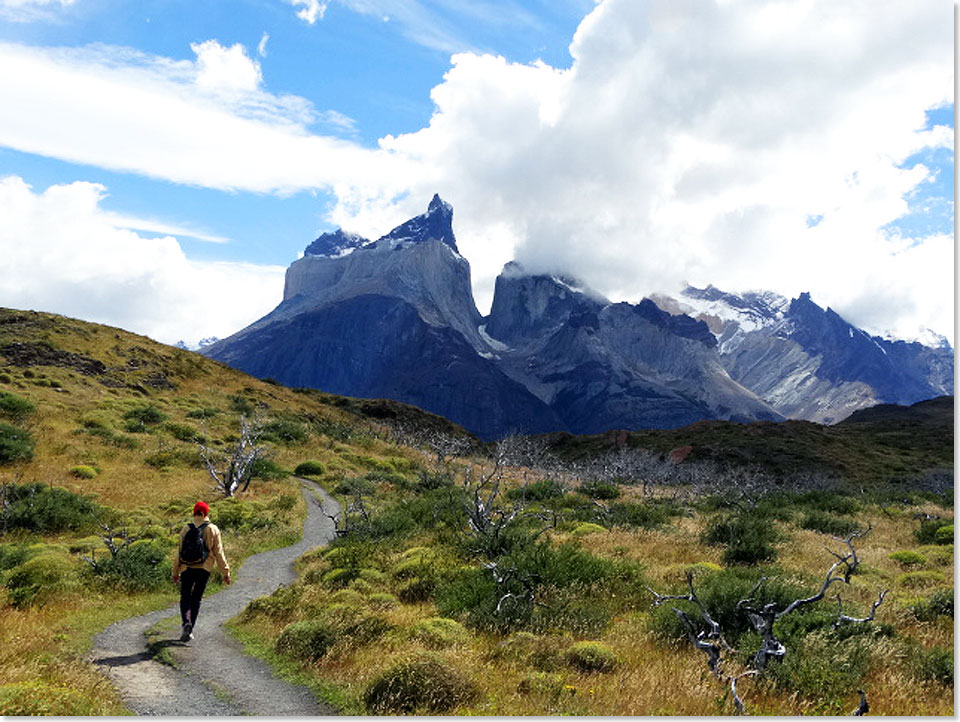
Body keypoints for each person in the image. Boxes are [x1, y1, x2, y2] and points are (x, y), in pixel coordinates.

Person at [172, 501, 231, 642]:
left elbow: (179, 552)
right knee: (196, 598)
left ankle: (186, 622)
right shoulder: (213, 529)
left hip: (186, 567)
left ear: (194, 513)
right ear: (206, 513)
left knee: (185, 596)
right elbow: (219, 553)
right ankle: (190, 628)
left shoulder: (186, 529)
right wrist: (225, 572)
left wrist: (175, 572)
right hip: (204, 568)